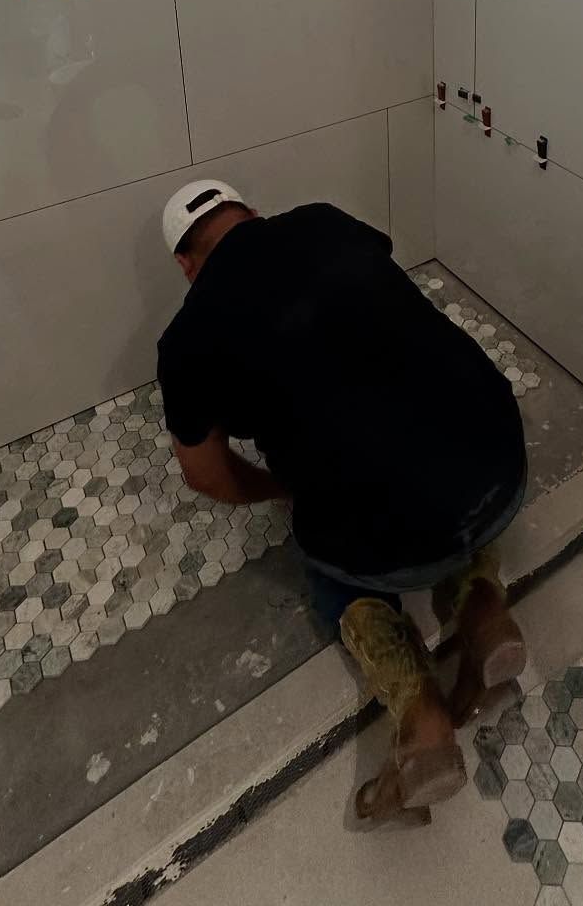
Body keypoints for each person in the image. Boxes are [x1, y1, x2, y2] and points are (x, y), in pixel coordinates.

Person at [155, 179, 529, 822]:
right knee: (426, 456)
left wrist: (286, 488)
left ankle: (419, 713)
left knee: (329, 553)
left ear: (186, 265)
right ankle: (484, 606)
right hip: (502, 462)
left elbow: (204, 475)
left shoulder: (187, 339)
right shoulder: (324, 219)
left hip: (396, 527)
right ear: (253, 215)